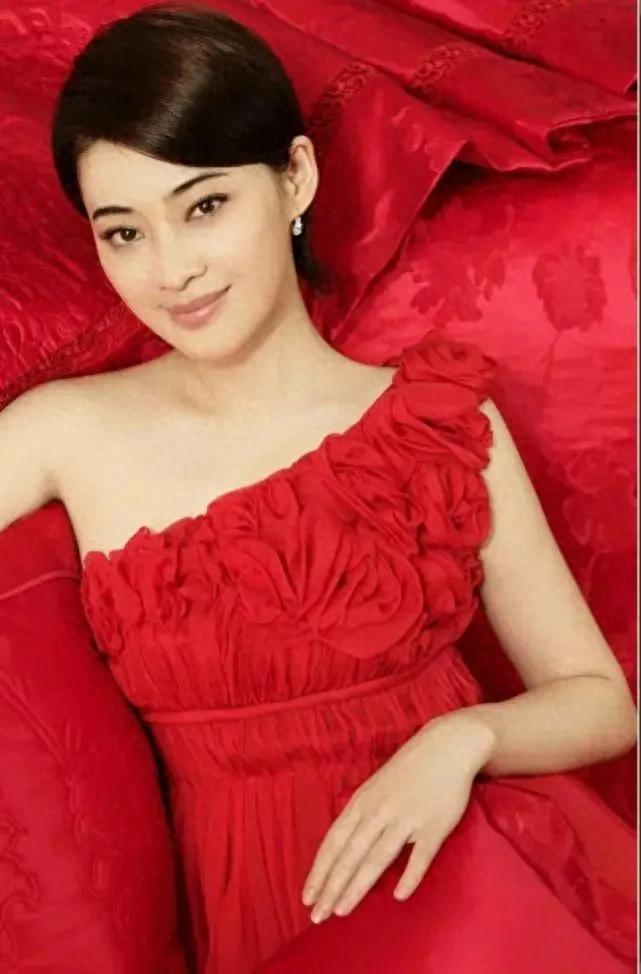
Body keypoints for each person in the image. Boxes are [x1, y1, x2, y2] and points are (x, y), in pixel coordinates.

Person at [1, 3, 635, 972]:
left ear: (293, 176)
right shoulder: (64, 433)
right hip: (253, 924)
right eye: (123, 231)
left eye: (204, 206)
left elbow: (600, 702)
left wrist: (462, 738)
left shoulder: (434, 423)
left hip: (465, 903)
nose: (171, 270)